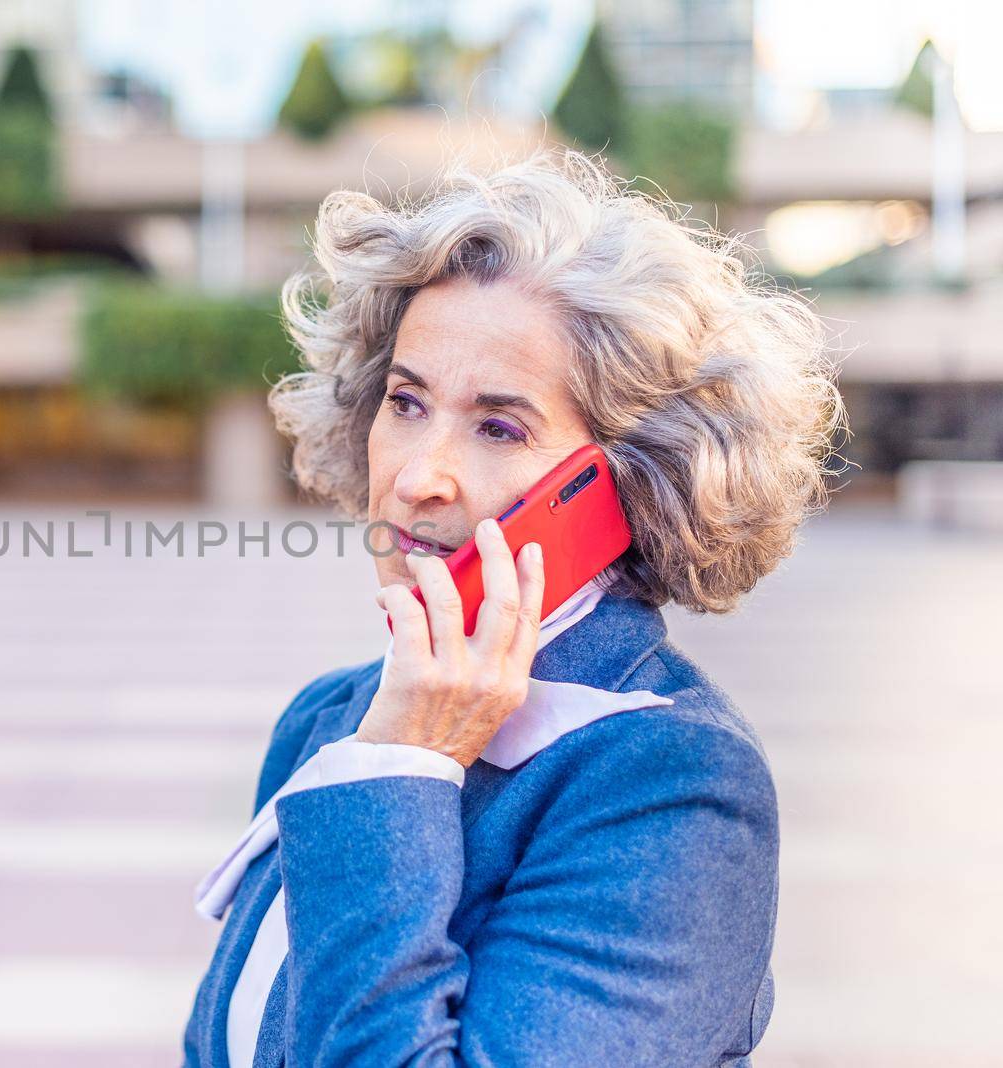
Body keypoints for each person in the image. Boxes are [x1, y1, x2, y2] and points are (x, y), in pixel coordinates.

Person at [181, 148, 844, 1067]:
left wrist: (403, 772)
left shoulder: (669, 786)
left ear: (623, 484)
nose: (417, 478)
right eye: (405, 403)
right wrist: (391, 748)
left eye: (499, 427)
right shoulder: (333, 721)